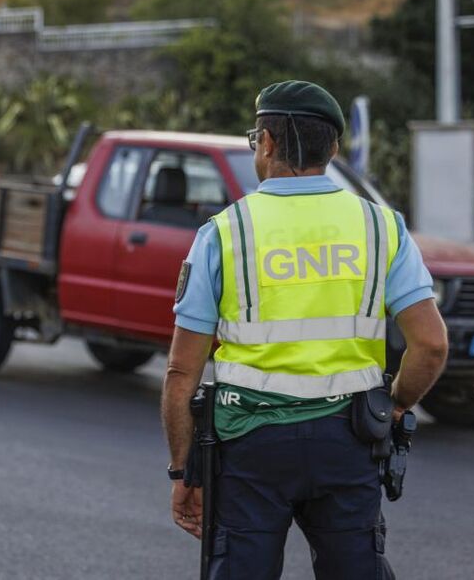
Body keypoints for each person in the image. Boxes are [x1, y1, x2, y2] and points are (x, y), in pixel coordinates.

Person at [161, 80, 449, 580]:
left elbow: (180, 373)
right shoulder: (382, 227)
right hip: (350, 443)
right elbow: (431, 345)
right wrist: (397, 404)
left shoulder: (225, 233)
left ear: (267, 143)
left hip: (250, 449)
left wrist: (184, 470)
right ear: (333, 149)